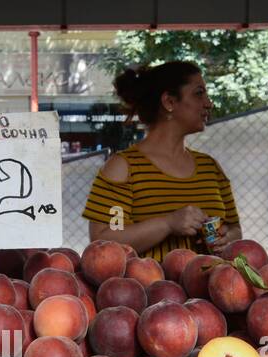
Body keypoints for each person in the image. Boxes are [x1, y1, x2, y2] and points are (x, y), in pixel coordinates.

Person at [83, 61, 242, 261]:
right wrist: (167, 224)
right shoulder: (124, 168)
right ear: (169, 102)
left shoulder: (211, 168)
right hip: (147, 291)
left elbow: (236, 229)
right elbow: (103, 241)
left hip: (210, 290)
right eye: (199, 93)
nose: (208, 103)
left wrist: (228, 236)